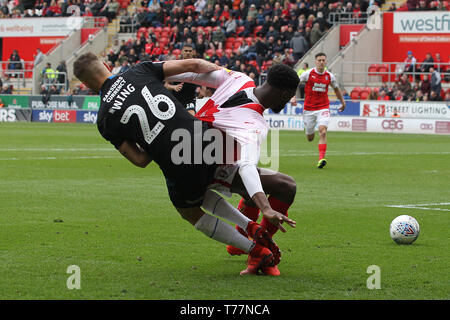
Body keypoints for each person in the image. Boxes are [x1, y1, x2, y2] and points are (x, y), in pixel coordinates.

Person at [73, 53, 295, 275]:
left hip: (176, 159)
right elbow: (196, 65)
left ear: (85, 84)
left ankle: (255, 249)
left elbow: (140, 160)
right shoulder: (138, 71)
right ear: (106, 65)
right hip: (205, 139)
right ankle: (249, 226)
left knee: (189, 209)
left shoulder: (104, 119)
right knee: (206, 183)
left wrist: (155, 139)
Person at [165, 63, 300, 276]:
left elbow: (193, 73)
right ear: (284, 93)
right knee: (286, 186)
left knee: (251, 183)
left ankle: (241, 240)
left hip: (184, 152)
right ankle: (261, 248)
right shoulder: (254, 123)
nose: (289, 101)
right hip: (203, 166)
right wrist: (266, 208)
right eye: (291, 96)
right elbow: (246, 167)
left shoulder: (239, 79)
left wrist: (158, 71)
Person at [298, 52, 346, 169]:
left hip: (323, 107)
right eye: (319, 60)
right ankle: (309, 131)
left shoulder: (329, 76)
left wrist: (342, 102)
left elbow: (336, 89)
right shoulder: (308, 74)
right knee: (310, 138)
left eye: (323, 60)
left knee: (323, 131)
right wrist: (292, 96)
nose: (321, 62)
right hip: (309, 109)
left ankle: (321, 159)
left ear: (326, 61)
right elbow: (296, 83)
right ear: (315, 62)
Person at [164, 44, 198, 115]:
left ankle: (198, 126)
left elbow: (205, 77)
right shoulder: (175, 65)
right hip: (176, 98)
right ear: (182, 52)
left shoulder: (197, 65)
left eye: (190, 51)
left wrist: (202, 89)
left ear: (193, 52)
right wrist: (173, 87)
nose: (188, 53)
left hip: (190, 98)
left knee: (194, 118)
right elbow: (166, 85)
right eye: (186, 51)